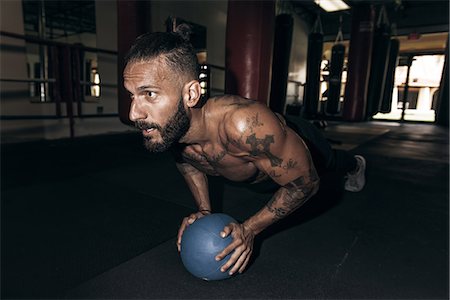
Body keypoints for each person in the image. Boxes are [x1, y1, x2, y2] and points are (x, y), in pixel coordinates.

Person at [122, 26, 366, 277]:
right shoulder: (170, 127)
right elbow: (186, 162)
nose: (133, 114)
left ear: (191, 93)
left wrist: (250, 229)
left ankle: (355, 164)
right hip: (256, 174)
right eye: (132, 96)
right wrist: (205, 210)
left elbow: (306, 184)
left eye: (149, 94)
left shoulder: (244, 125)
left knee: (332, 163)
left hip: (297, 141)